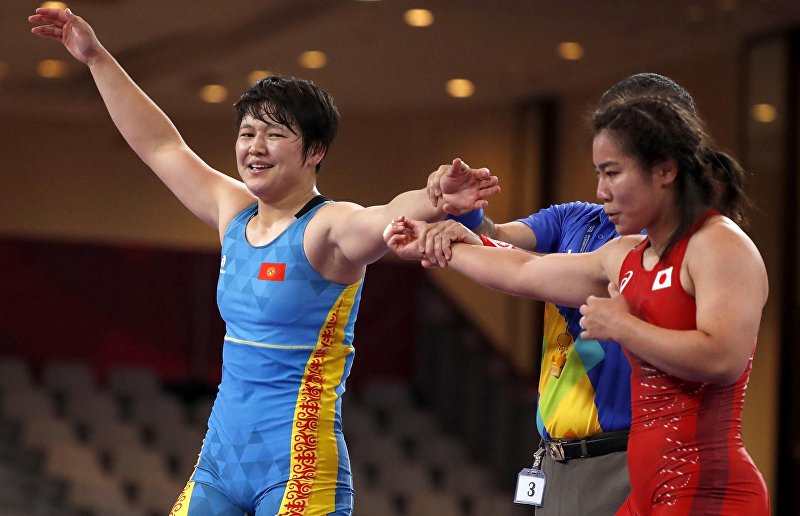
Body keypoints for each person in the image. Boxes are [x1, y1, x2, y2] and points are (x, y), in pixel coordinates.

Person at [29, 7, 499, 516]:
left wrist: (435, 199)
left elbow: (385, 215)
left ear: (315, 151)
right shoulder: (231, 211)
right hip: (219, 465)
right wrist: (96, 58)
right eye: (247, 133)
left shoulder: (328, 227)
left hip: (298, 468)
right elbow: (161, 145)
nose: (255, 147)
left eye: (274, 134)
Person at [387, 91, 769, 514]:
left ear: (665, 170)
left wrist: (623, 327)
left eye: (613, 173)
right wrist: (443, 245)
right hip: (647, 488)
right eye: (599, 173)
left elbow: (723, 359)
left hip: (705, 486)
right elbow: (523, 271)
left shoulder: (718, 244)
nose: (601, 191)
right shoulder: (623, 254)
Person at [425, 73, 697, 515]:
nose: (602, 187)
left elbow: (521, 269)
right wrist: (465, 212)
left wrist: (451, 245)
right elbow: (498, 241)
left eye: (615, 168)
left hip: (625, 456)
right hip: (554, 459)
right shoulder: (576, 218)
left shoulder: (679, 248)